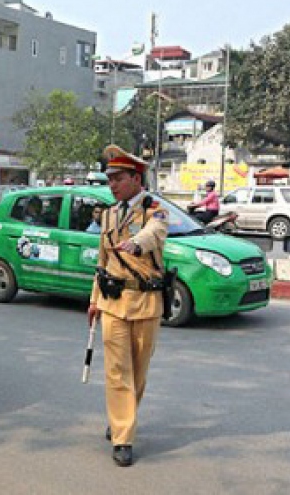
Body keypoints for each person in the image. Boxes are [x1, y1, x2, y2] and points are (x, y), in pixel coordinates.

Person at [87, 144, 169, 467]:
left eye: (118, 179)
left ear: (136, 178)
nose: (113, 185)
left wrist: (136, 243)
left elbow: (155, 233)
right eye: (109, 180)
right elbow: (103, 261)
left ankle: (123, 416)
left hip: (146, 302)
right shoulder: (108, 214)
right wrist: (94, 300)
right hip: (112, 302)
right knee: (117, 371)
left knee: (138, 372)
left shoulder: (155, 210)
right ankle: (123, 436)